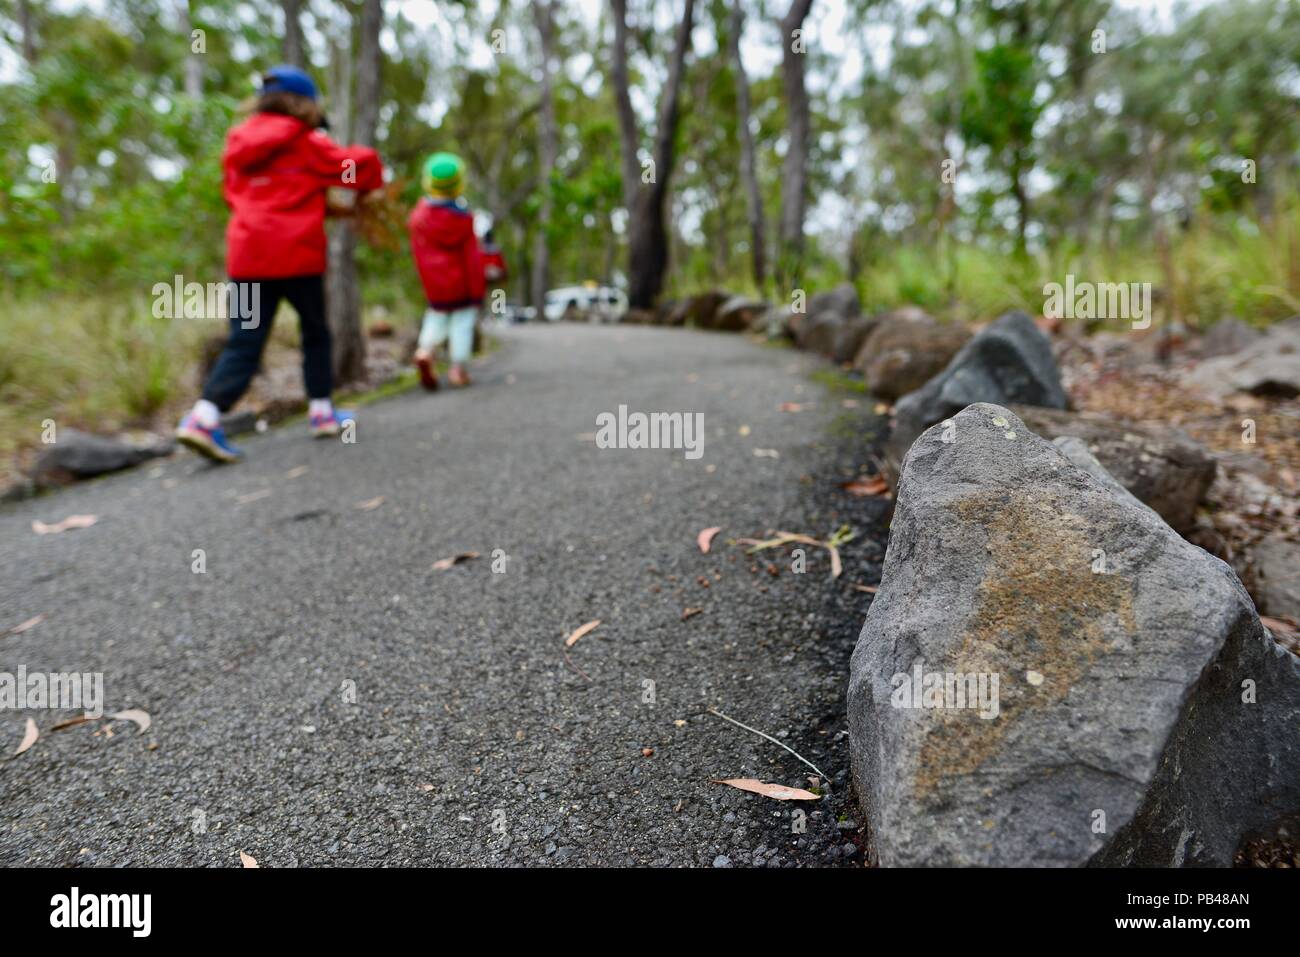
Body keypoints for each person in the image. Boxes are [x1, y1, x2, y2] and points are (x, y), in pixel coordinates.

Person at [175, 65, 384, 463]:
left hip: (248, 257)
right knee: (315, 332)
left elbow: (233, 195)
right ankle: (321, 411)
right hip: (297, 257)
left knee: (244, 342)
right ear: (303, 104)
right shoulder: (307, 143)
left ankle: (203, 417)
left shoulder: (236, 145)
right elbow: (362, 168)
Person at [408, 152, 484, 390]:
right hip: (461, 286)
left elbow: (419, 255)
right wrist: (477, 291)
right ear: (459, 183)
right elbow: (472, 258)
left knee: (436, 318)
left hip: (435, 286)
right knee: (461, 324)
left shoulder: (418, 218)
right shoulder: (464, 220)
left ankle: (425, 351)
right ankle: (457, 370)